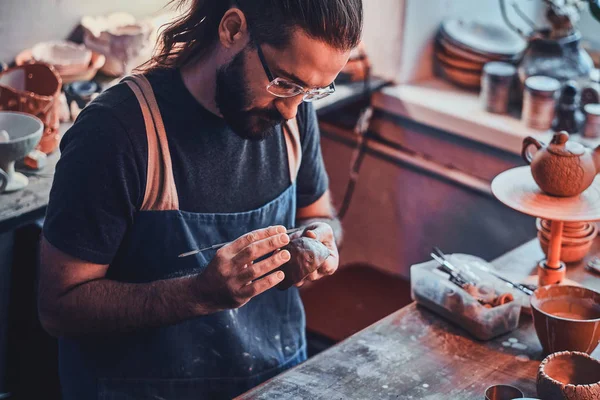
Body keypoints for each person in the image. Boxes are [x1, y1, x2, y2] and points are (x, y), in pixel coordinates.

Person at [38, 0, 363, 399]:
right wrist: (196, 295)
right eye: (285, 83)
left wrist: (321, 240)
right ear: (231, 29)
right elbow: (58, 307)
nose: (293, 110)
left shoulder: (291, 116)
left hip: (273, 382)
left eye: (313, 91)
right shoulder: (116, 133)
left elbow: (321, 216)